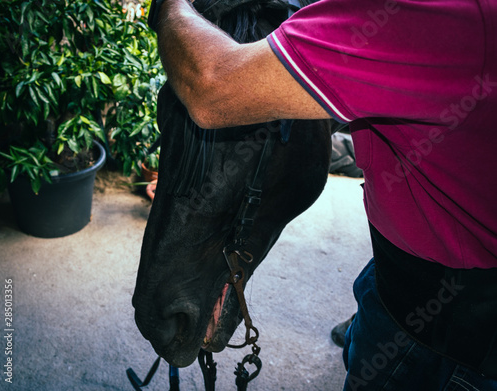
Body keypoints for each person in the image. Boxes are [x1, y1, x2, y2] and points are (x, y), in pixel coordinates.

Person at [148, 0, 497, 389]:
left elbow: (212, 83)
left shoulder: (422, 12)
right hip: (400, 273)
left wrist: (170, 5)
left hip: (446, 346)